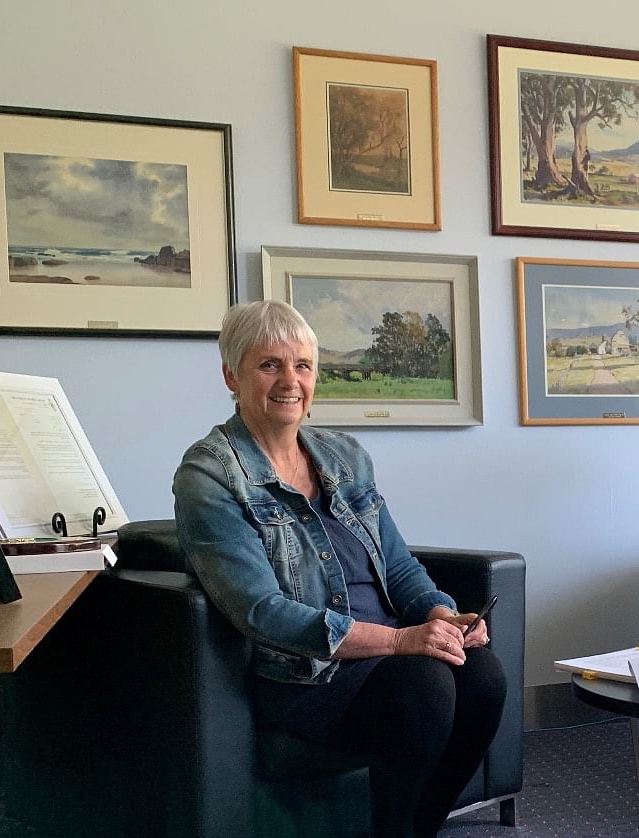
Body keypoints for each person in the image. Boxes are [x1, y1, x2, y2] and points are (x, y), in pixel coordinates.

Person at [173, 301, 506, 838]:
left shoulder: (343, 455)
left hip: (392, 658)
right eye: (269, 365)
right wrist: (402, 643)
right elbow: (261, 611)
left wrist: (444, 616)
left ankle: (417, 829)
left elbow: (398, 567)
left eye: (302, 366)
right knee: (424, 685)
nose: (290, 381)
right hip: (308, 677)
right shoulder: (210, 474)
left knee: (483, 674)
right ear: (231, 375)